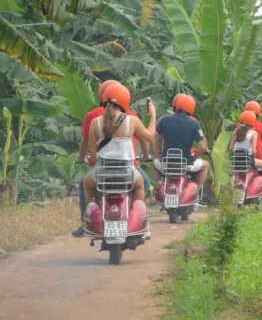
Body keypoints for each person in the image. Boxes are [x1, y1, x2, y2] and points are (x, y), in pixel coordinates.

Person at [74, 82, 155, 236]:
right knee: (140, 185)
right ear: (125, 101)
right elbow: (150, 137)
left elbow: (92, 156)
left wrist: (89, 161)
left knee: (86, 183)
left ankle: (91, 219)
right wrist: (154, 115)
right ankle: (141, 225)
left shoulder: (94, 123)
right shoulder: (131, 121)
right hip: (127, 173)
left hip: (102, 173)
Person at [151, 93, 208, 197]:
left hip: (166, 163)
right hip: (185, 164)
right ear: (191, 109)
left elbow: (156, 138)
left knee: (154, 164)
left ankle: (159, 185)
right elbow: (203, 147)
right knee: (205, 166)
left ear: (176, 106)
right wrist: (195, 157)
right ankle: (196, 192)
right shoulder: (194, 124)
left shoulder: (164, 120)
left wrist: (157, 154)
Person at [230, 110, 262, 197]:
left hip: (235, 162)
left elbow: (231, 148)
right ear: (252, 121)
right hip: (248, 161)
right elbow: (254, 152)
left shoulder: (236, 131)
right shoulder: (253, 133)